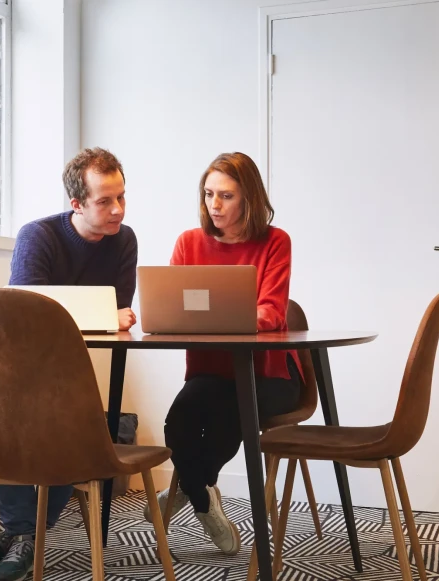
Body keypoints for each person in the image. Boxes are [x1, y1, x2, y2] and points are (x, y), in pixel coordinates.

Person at [0, 147, 138, 581]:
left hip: (69, 365)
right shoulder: (38, 236)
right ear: (77, 204)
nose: (117, 209)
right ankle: (23, 532)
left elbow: (120, 312)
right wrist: (101, 313)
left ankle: (23, 535)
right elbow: (27, 313)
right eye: (105, 201)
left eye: (121, 197)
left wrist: (102, 314)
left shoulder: (124, 239)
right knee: (4, 419)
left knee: (79, 423)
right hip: (17, 362)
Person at [144, 152, 303, 555]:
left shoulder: (274, 241)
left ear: (248, 198)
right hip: (211, 372)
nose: (214, 205)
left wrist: (221, 317)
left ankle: (188, 489)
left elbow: (271, 311)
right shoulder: (189, 243)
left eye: (226, 196)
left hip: (270, 374)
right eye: (209, 193)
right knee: (177, 422)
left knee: (231, 411)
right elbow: (171, 309)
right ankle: (203, 499)